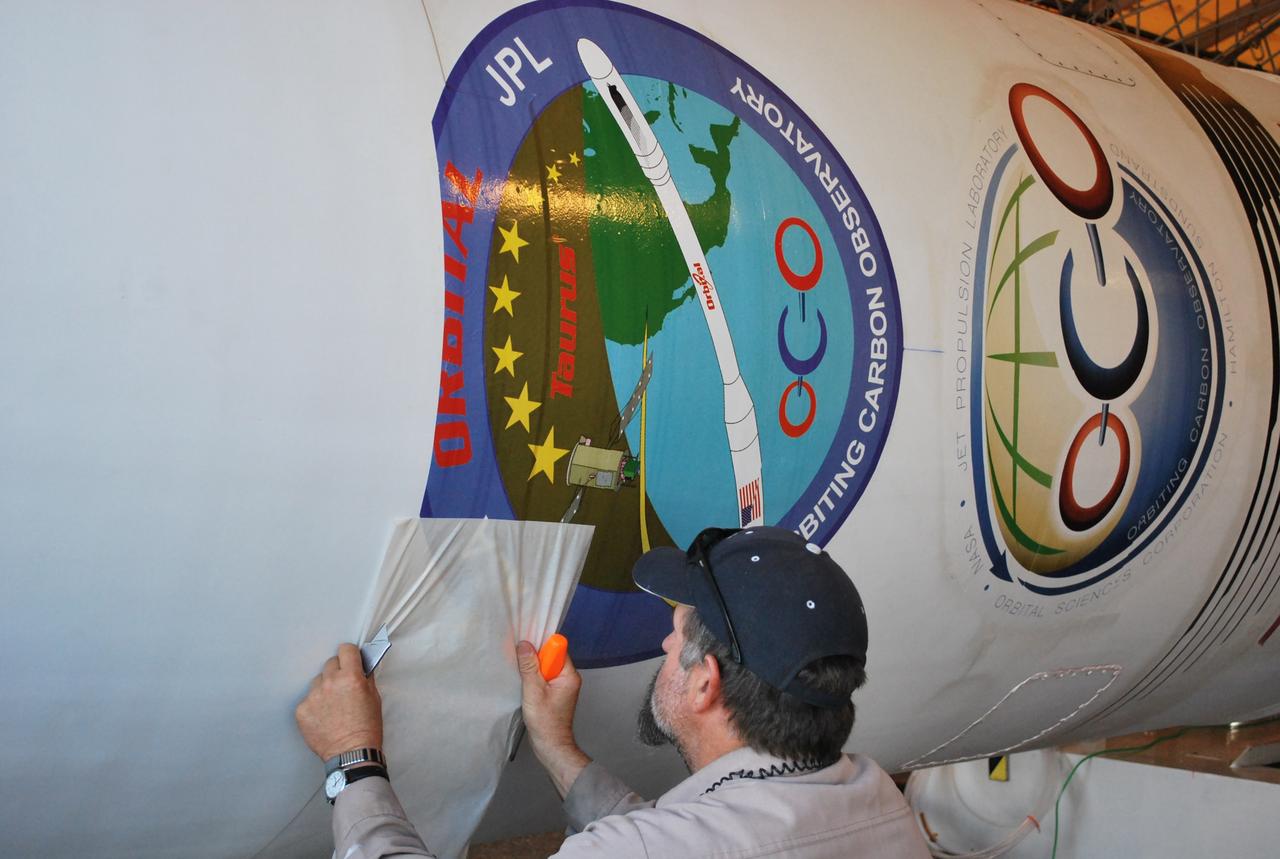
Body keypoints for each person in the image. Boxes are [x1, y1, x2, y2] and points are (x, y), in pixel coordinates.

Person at [296, 526, 931, 857]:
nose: (663, 646)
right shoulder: (883, 808)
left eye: (675, 633)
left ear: (706, 681)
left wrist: (354, 763)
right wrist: (556, 747)